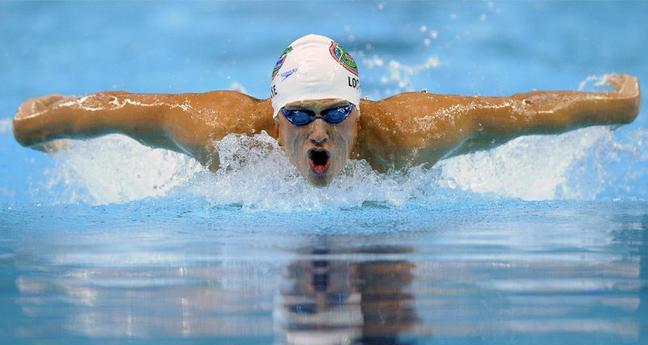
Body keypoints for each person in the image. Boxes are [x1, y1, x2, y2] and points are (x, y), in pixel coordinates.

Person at [12, 34, 641, 186]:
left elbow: (521, 112)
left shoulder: (409, 134)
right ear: (274, 114)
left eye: (337, 114)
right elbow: (122, 110)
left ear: (360, 113)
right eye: (302, 115)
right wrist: (41, 124)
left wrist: (615, 108)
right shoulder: (225, 133)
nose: (318, 130)